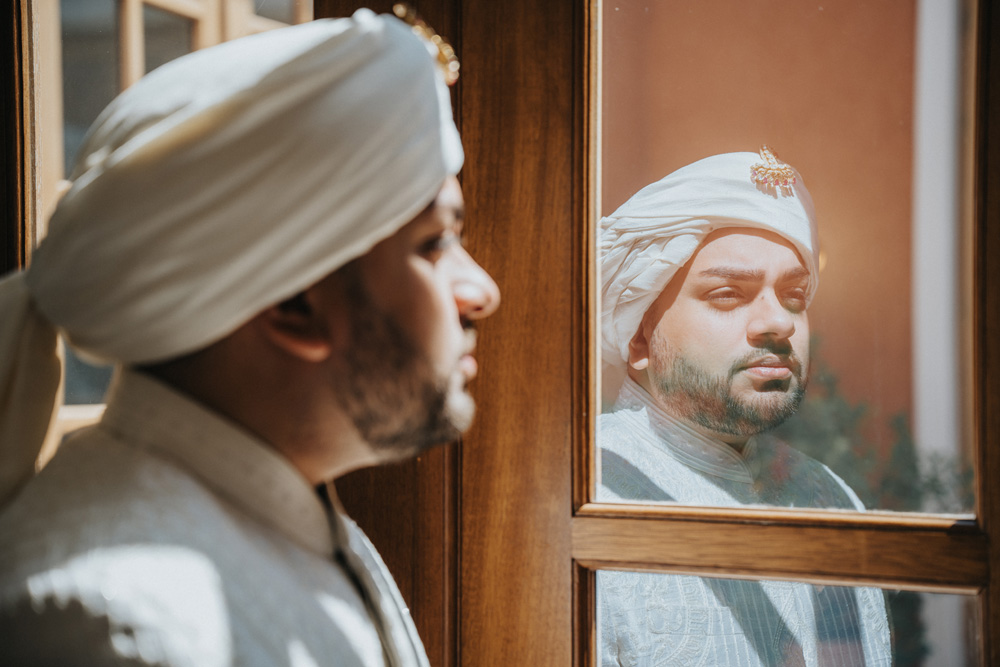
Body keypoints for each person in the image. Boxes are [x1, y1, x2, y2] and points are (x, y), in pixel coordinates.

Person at [0, 8, 498, 666]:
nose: (482, 292)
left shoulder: (297, 519)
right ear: (298, 305)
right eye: (435, 243)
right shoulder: (118, 629)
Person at [597, 149, 891, 666]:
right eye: (730, 294)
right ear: (640, 336)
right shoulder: (590, 487)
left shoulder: (826, 494)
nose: (778, 322)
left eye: (795, 296)